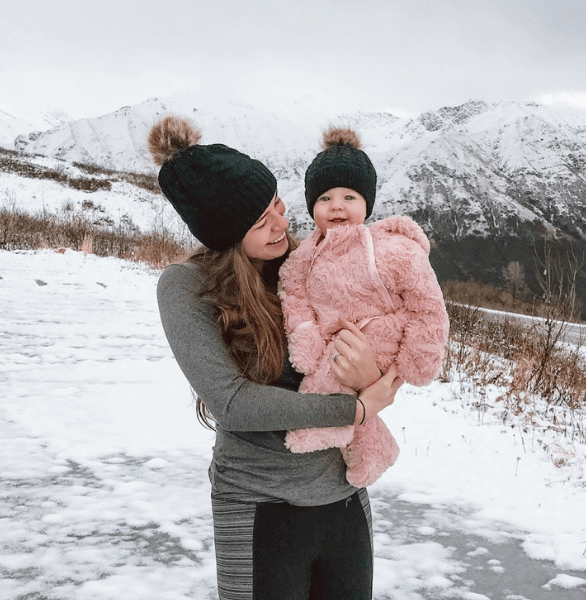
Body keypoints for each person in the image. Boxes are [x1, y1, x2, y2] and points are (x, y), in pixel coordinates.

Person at [148, 115, 403, 600]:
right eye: (261, 222)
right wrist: (355, 409)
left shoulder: (309, 264)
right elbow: (233, 404)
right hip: (258, 504)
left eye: (279, 206)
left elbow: (384, 337)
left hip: (343, 499)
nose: (283, 225)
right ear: (224, 235)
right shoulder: (186, 287)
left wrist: (370, 374)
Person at [279, 126, 449, 488]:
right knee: (336, 384)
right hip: (335, 341)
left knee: (325, 387)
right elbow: (294, 296)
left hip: (383, 333)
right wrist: (305, 336)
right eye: (324, 197)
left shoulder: (390, 248)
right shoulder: (304, 256)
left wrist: (419, 355)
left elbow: (426, 302)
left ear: (367, 204)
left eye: (349, 196)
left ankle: (316, 435)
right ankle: (372, 448)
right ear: (311, 207)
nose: (336, 205)